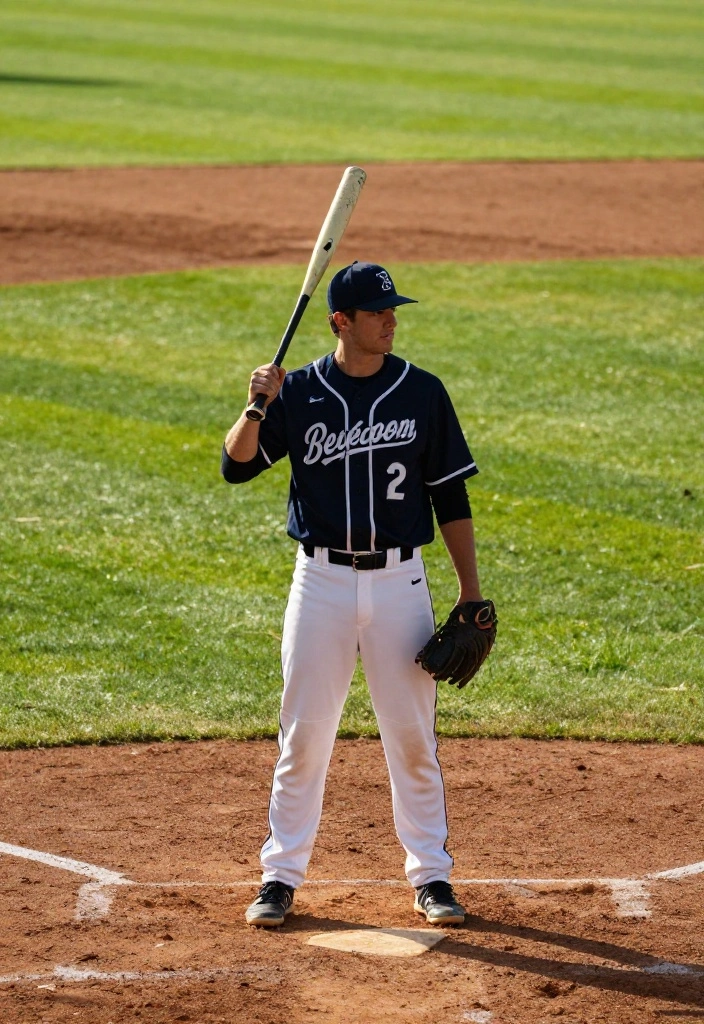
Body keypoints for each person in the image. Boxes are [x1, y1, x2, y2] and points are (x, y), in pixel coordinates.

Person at [221, 261, 486, 928]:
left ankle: (432, 877)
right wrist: (256, 404)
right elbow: (236, 465)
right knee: (304, 737)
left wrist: (470, 590)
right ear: (341, 321)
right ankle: (280, 877)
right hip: (321, 584)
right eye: (377, 312)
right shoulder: (300, 392)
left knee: (413, 738)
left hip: (401, 583)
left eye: (393, 310)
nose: (391, 321)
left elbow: (450, 495)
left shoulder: (421, 391)